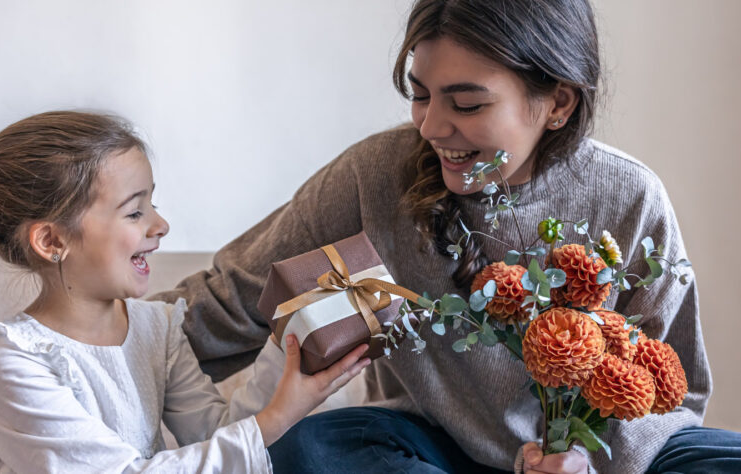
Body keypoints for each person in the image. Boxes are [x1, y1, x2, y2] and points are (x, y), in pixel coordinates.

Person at [148, 1, 741, 473]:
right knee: (311, 446)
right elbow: (230, 299)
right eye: (421, 94)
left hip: (595, 462)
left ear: (557, 101)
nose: (431, 126)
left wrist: (583, 458)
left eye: (466, 102)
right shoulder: (371, 175)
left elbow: (671, 390)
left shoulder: (630, 196)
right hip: (432, 447)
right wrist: (83, 331)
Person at [0, 111, 370, 473]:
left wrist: (286, 354)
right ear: (52, 242)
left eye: (153, 202)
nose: (160, 225)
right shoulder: (10, 363)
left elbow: (214, 438)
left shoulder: (155, 327)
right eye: (134, 212)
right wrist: (275, 420)